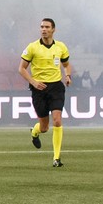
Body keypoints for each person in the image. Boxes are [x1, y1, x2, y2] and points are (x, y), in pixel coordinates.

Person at [19, 17, 72, 167]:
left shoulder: (61, 47)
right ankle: (34, 132)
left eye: (47, 27)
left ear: (53, 29)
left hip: (56, 87)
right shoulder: (32, 47)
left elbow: (67, 65)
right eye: (42, 27)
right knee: (44, 127)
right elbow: (21, 68)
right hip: (39, 89)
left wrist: (68, 76)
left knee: (57, 120)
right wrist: (33, 82)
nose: (44, 29)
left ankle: (56, 158)